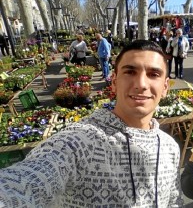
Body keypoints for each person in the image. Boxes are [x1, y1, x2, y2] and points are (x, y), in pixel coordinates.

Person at [0, 40, 183, 207]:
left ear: (165, 87)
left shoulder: (170, 147)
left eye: (153, 74)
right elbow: (28, 179)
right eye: (130, 72)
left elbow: (174, 200)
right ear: (114, 82)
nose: (141, 83)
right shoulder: (79, 142)